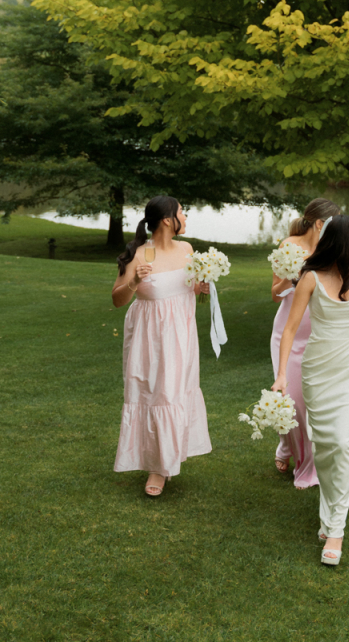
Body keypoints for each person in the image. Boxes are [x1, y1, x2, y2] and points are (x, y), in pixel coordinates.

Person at [272, 215, 349, 566]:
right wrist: (281, 377)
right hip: (318, 372)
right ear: (345, 243)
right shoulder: (310, 277)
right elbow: (290, 330)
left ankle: (336, 529)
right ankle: (329, 513)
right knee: (324, 446)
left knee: (344, 442)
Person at [112, 196, 212, 496]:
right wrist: (133, 282)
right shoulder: (138, 255)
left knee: (176, 392)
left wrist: (202, 285)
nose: (186, 216)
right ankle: (157, 467)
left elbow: (189, 288)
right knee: (155, 393)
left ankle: (167, 458)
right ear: (168, 220)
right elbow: (117, 299)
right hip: (150, 341)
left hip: (182, 336)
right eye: (182, 211)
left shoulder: (187, 249)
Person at [270, 196, 340, 487]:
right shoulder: (289, 246)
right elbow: (275, 293)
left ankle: (304, 465)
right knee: (292, 402)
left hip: (317, 334)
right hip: (287, 331)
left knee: (309, 405)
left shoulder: (333, 248)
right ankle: (290, 448)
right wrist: (293, 276)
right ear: (320, 223)